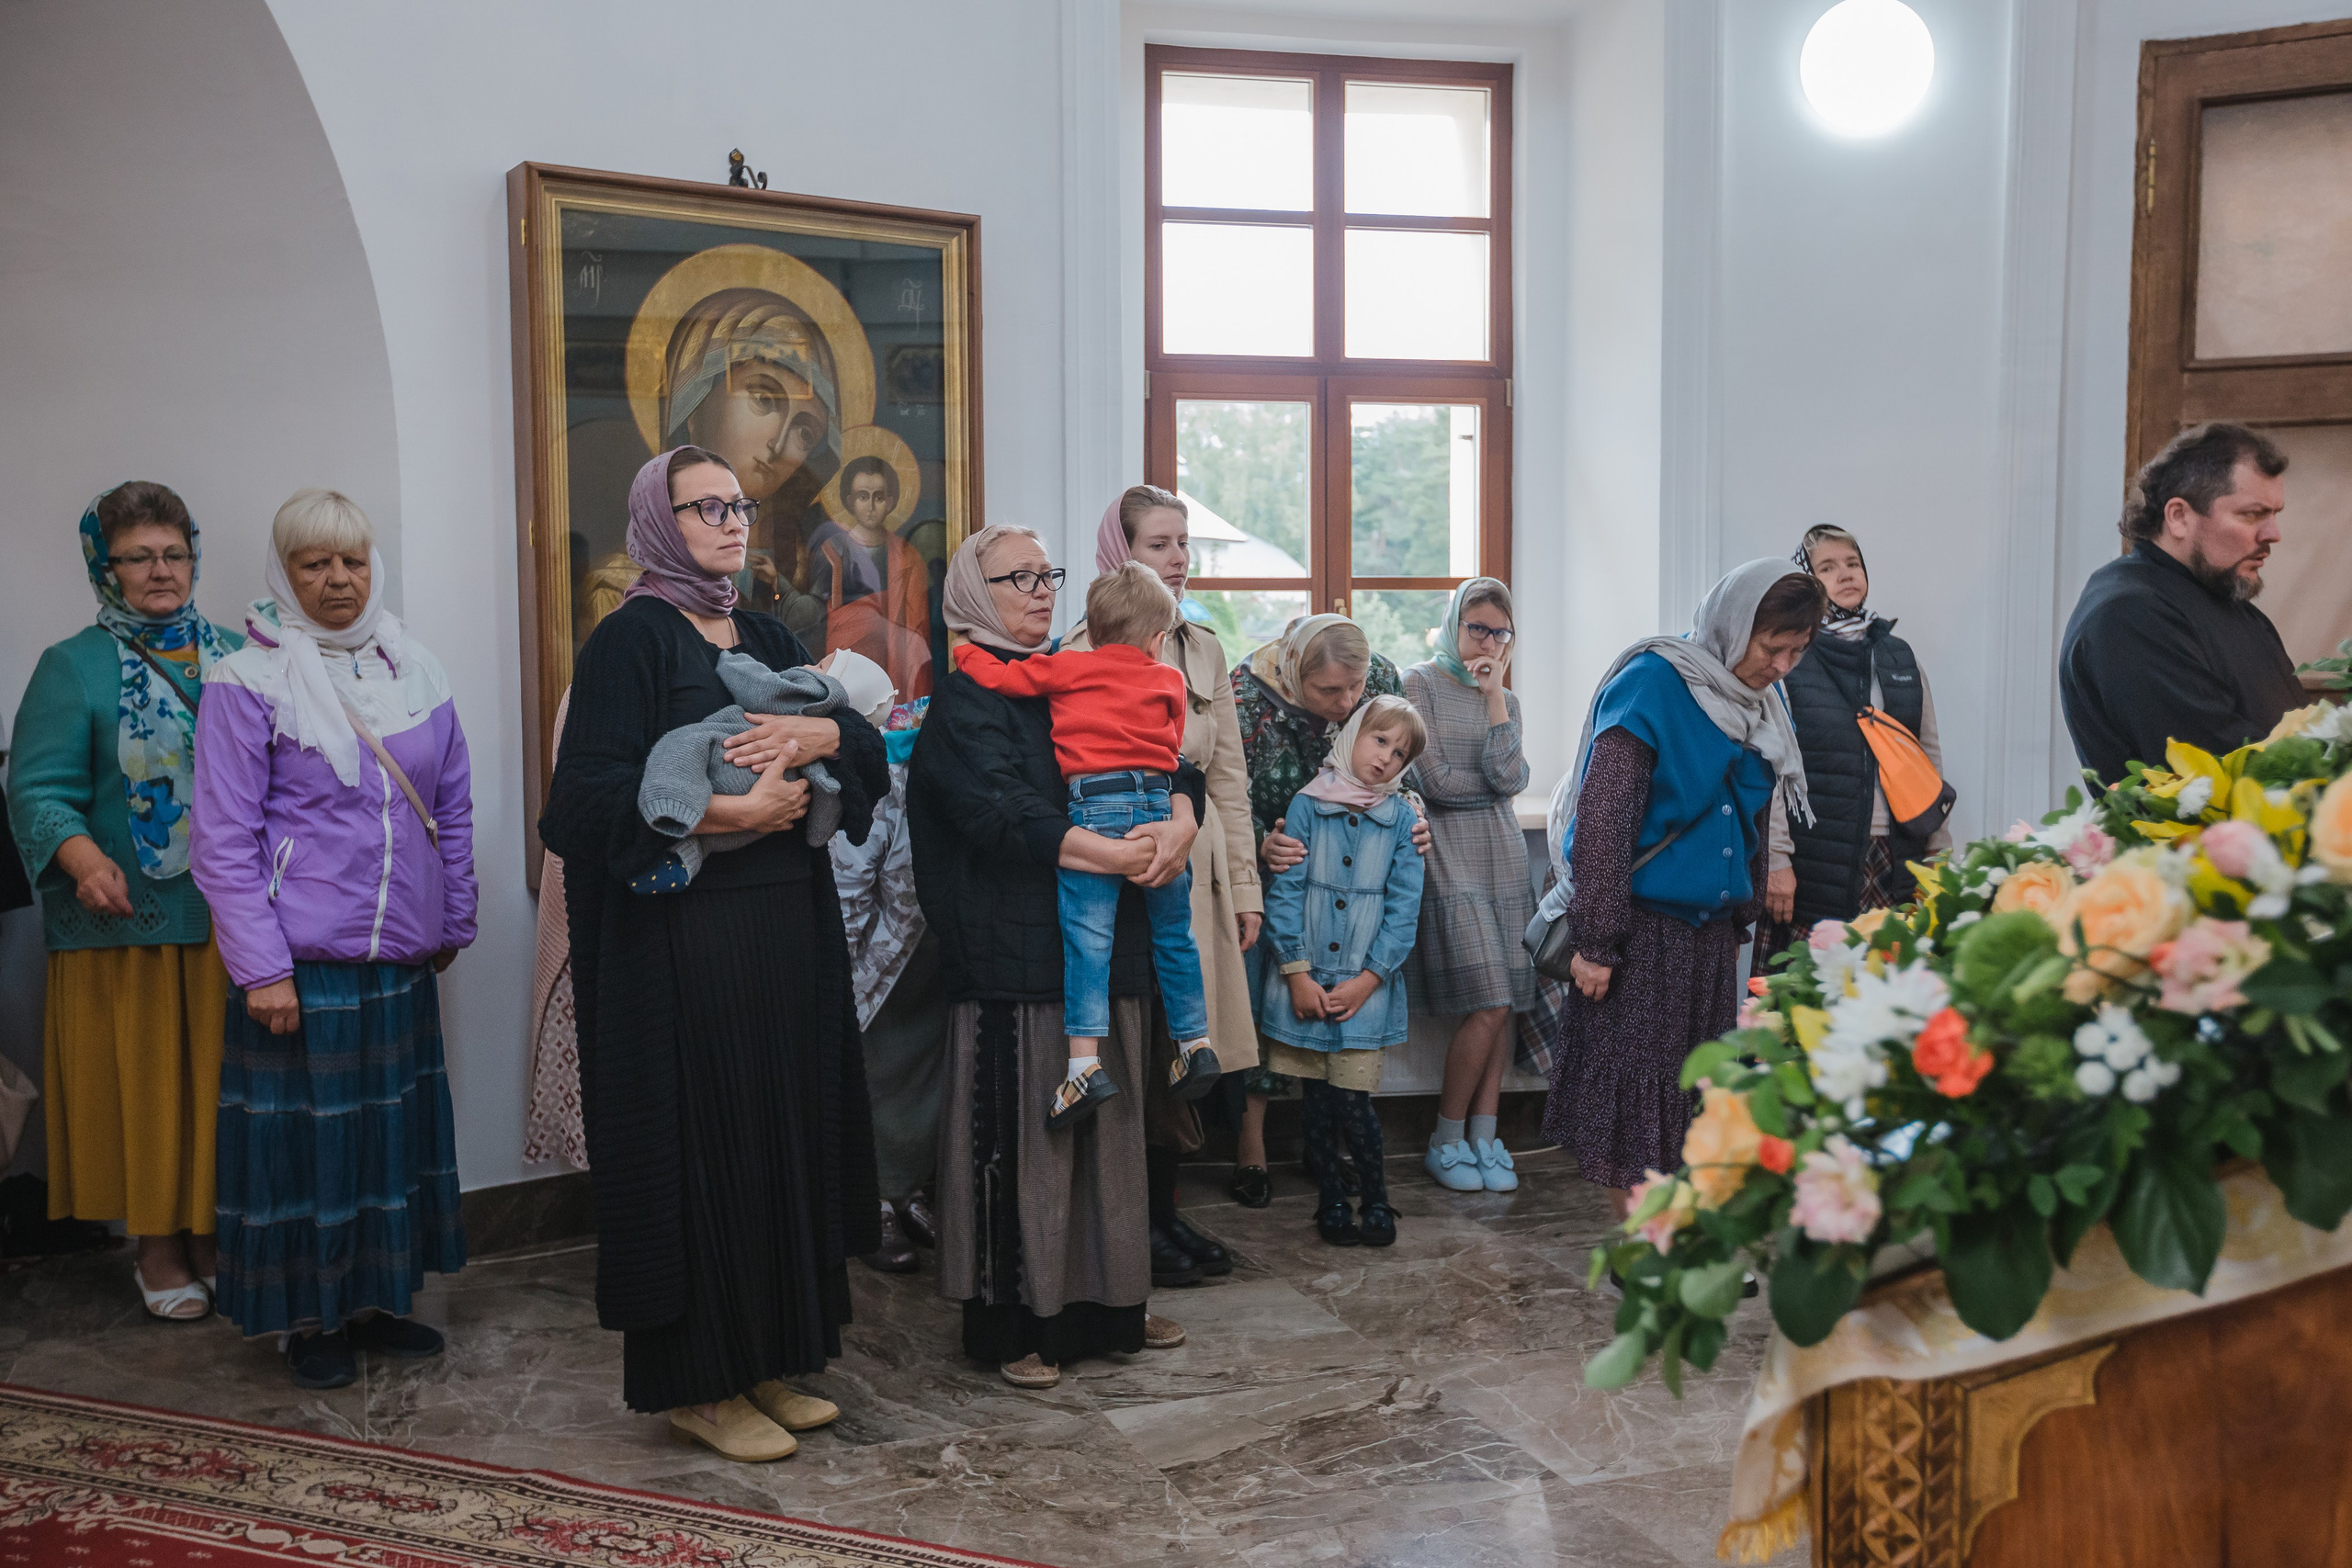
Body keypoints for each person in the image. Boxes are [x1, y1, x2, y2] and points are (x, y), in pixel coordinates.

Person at [538, 446, 887, 1461]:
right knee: (703, 1151)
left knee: (779, 1142)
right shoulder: (629, 644)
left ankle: (765, 1358)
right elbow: (583, 804)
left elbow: (860, 744)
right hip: (681, 950)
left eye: (736, 505)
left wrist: (818, 746)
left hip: (785, 938)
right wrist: (728, 810)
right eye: (703, 509)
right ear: (657, 522)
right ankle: (699, 1383)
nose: (730, 523)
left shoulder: (769, 629)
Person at [190, 488, 475, 1386]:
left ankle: (380, 1299)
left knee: (385, 1144)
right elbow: (223, 840)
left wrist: (454, 916)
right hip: (301, 970)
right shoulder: (248, 680)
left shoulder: (414, 668)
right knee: (309, 1154)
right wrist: (261, 968)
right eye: (315, 564)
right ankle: (311, 1319)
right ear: (285, 572)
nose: (337, 580)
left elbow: (454, 807)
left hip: (396, 963)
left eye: (351, 560)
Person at [909, 524, 1202, 1390]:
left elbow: (1162, 756)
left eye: (1047, 574)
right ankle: (1017, 1324)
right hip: (1014, 960)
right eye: (1017, 577)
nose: (1041, 590)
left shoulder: (1082, 665)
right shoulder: (968, 700)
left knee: (1111, 1144)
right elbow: (1000, 816)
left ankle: (1110, 1308)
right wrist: (1115, 855)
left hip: (1108, 944)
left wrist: (1182, 819)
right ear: (972, 593)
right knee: (1031, 1148)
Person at [9, 483, 243, 1322]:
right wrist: (80, 858)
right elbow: (36, 792)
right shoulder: (72, 665)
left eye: (173, 553)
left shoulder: (237, 652)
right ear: (102, 567)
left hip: (229, 919)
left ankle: (215, 1234)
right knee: (147, 1089)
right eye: (138, 557)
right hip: (123, 921)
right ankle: (157, 1246)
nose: (160, 571)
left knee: (221, 1085)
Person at [1540, 561, 1821, 1216]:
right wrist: (1596, 942)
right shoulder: (1654, 683)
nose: (1781, 665)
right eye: (1770, 645)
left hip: (1707, 936)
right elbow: (1606, 819)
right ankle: (1652, 1249)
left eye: (1797, 651)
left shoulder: (1758, 705)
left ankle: (1685, 1236)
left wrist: (1741, 921)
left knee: (1697, 1099)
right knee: (1636, 1106)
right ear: (1733, 625)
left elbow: (1750, 817)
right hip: (1638, 936)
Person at [1059, 485, 1256, 1286]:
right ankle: (1133, 1224)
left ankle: (1168, 1213)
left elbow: (1229, 774)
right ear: (1121, 555)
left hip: (1195, 869)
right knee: (1136, 1047)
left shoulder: (1203, 649)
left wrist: (1245, 886)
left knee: (1190, 1050)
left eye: (1184, 544)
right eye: (1160, 545)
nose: (1179, 559)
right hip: (1122, 866)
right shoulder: (1078, 650)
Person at [950, 562, 1219, 1127]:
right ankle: (1195, 1045)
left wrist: (965, 653)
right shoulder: (1168, 679)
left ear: (1092, 631)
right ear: (1158, 638)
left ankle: (1082, 1070)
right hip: (1153, 802)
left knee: (1087, 943)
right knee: (1175, 935)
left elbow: (1004, 679)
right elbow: (1173, 750)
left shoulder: (1069, 667)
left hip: (1097, 806)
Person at [1227, 615, 1418, 1207]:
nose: (1346, 703)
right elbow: (1222, 791)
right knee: (1269, 1004)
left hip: (1360, 866)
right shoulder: (1243, 698)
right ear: (1294, 672)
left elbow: (1401, 756)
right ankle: (1251, 1144)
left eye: (1354, 688)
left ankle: (1329, 1149)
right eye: (1328, 692)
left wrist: (1411, 812)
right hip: (1277, 873)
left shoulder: (1381, 678)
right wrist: (1260, 841)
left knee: (1341, 1026)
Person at [1259, 697, 1428, 1247]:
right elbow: (1286, 892)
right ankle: (1330, 1198)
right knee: (1313, 1098)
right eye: (1379, 740)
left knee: (1354, 1098)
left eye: (1399, 752)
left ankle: (1376, 1199)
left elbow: (1405, 909)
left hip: (1364, 983)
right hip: (1306, 977)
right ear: (1353, 734)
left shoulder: (1403, 818)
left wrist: (1369, 979)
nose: (1385, 758)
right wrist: (1297, 972)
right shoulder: (1307, 805)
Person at [2061, 422, 2302, 786]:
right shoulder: (2128, 614)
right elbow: (2216, 773)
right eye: (2252, 514)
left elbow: (2296, 732)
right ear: (2179, 517)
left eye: (2274, 514)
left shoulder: (2225, 599)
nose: (2273, 534)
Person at [1403, 578, 1535, 1196]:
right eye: (1477, 627)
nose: (1486, 640)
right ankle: (1446, 1137)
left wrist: (1493, 699)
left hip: (1504, 856)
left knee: (1505, 1000)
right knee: (1484, 998)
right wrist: (1494, 783)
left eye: (1498, 631)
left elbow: (1510, 774)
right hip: (1450, 856)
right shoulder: (1418, 684)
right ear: (1454, 624)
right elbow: (1437, 782)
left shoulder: (1501, 696)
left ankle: (1487, 1135)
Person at [1766, 525, 1952, 946]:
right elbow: (1774, 767)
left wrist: (1939, 848)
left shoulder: (1899, 655)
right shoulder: (1792, 657)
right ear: (1808, 582)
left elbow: (1927, 756)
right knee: (1810, 997)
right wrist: (1777, 857)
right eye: (1827, 567)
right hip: (1817, 861)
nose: (1846, 574)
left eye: (1853, 564)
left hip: (1897, 853)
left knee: (1889, 993)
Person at [809, 454, 933, 698]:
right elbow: (816, 612)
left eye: (878, 497)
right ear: (849, 500)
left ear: (890, 501)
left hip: (893, 656)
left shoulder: (907, 555)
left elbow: (916, 625)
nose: (870, 505)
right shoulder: (831, 549)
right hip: (843, 655)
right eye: (863, 496)